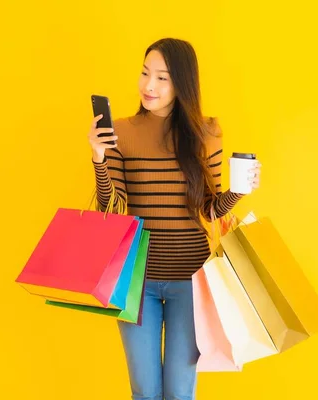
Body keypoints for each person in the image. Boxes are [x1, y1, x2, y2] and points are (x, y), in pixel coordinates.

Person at [87, 38, 261, 400]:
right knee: (144, 393)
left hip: (191, 281)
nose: (149, 85)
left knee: (180, 393)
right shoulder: (122, 132)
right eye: (145, 73)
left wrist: (240, 192)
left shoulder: (205, 134)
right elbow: (113, 207)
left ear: (182, 83)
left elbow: (210, 209)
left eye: (162, 78)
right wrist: (100, 158)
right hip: (136, 281)